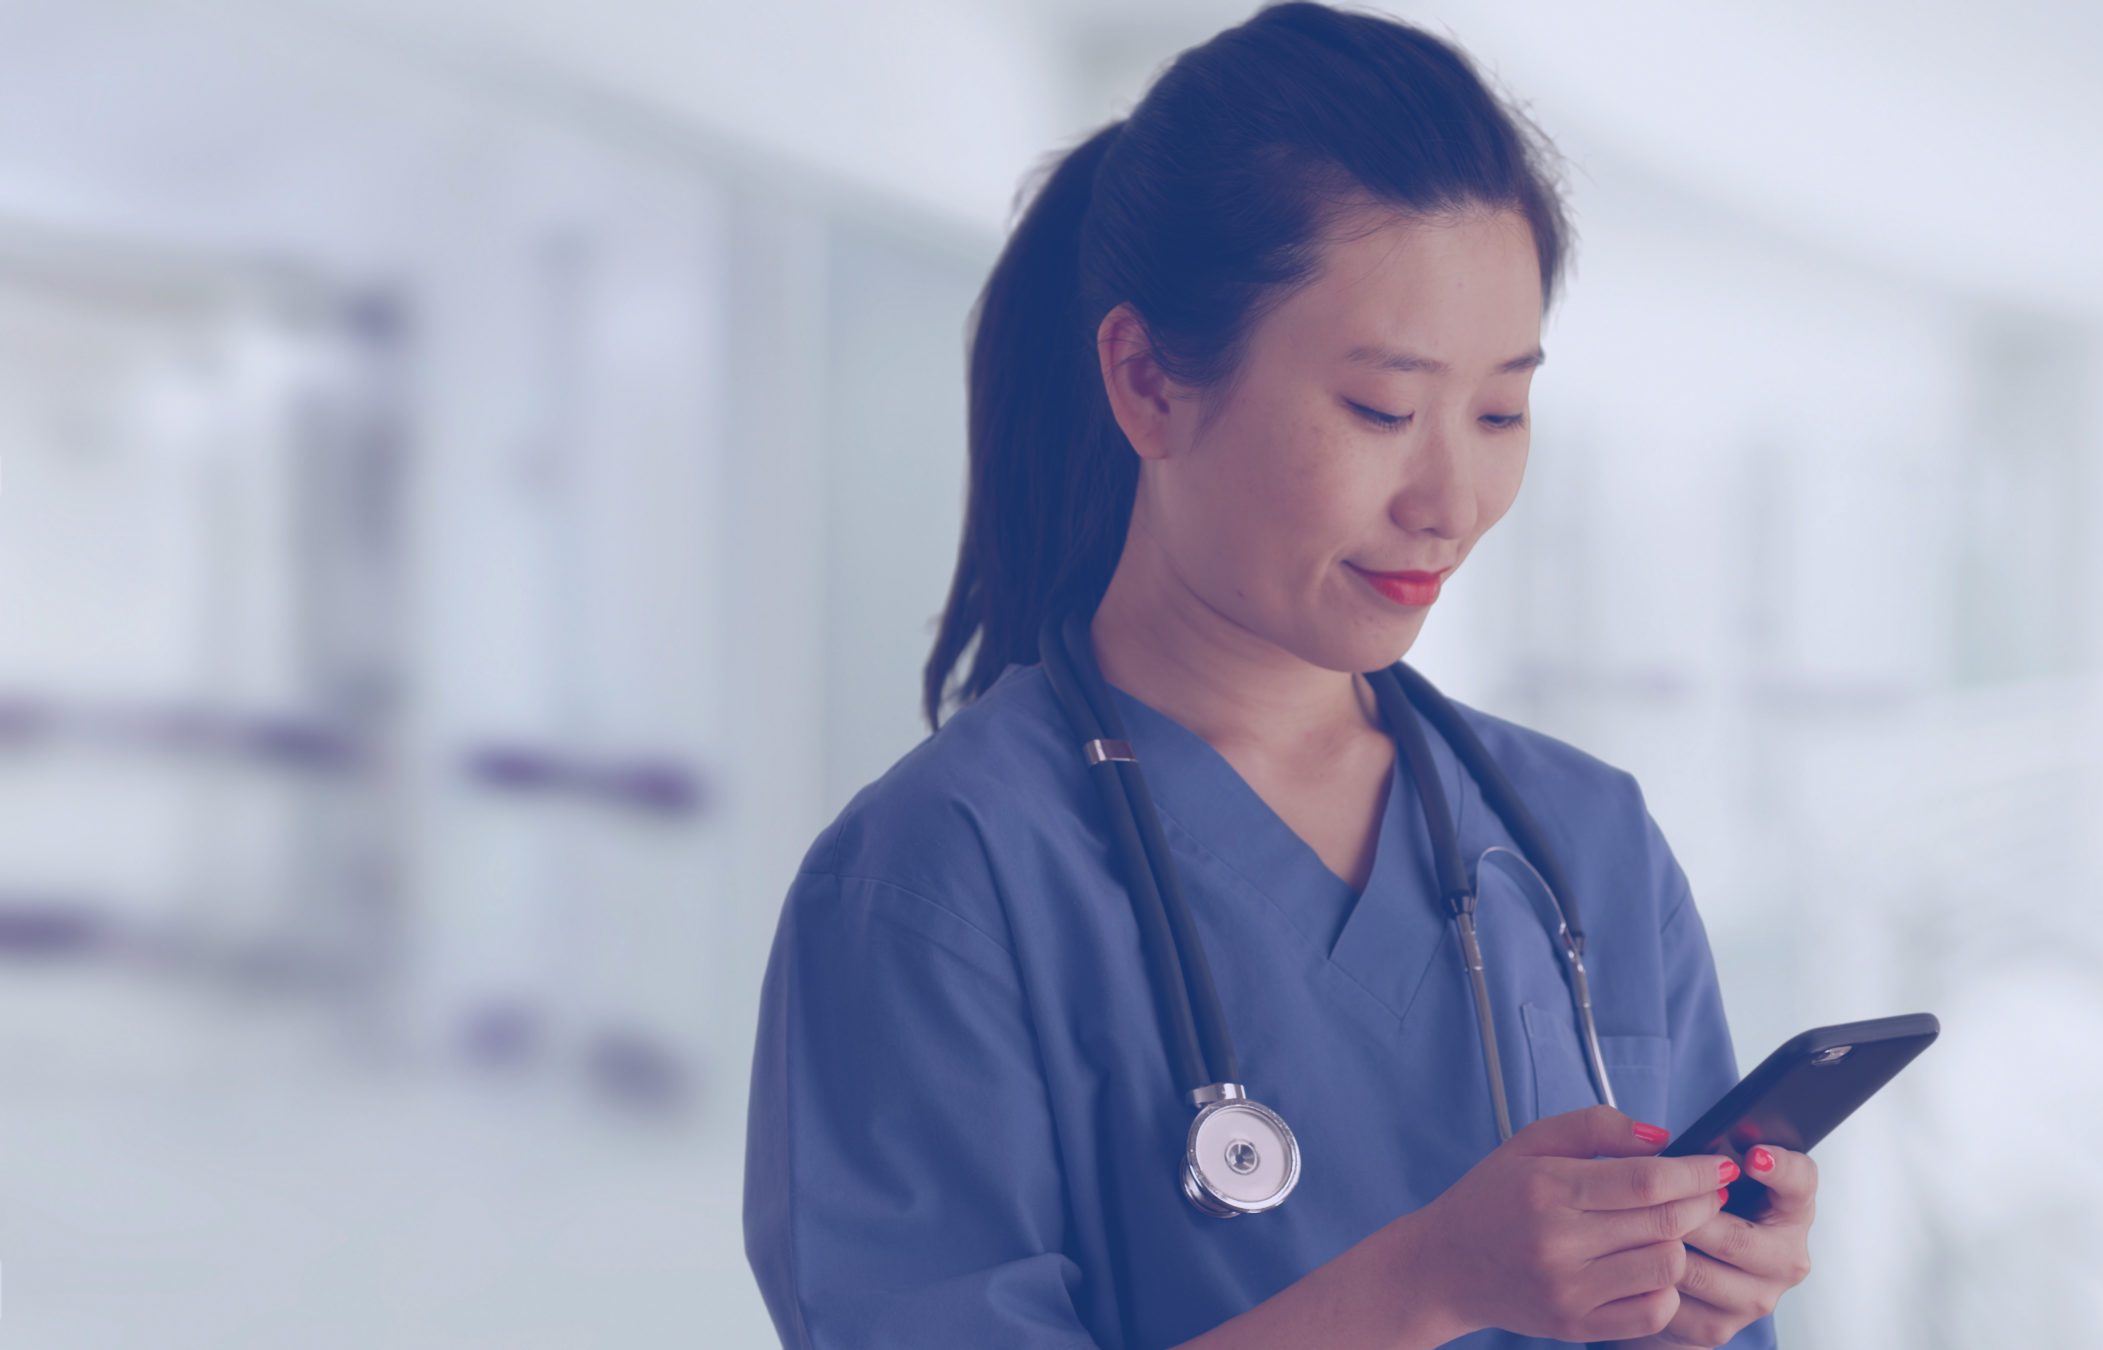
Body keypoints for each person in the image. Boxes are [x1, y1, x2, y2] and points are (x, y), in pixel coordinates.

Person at [742, 4, 1815, 1346]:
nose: (1452, 498)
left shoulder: (1588, 849)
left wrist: (1684, 1311)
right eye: (1382, 409)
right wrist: (1425, 1279)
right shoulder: (941, 880)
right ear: (1147, 382)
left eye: (1500, 411)